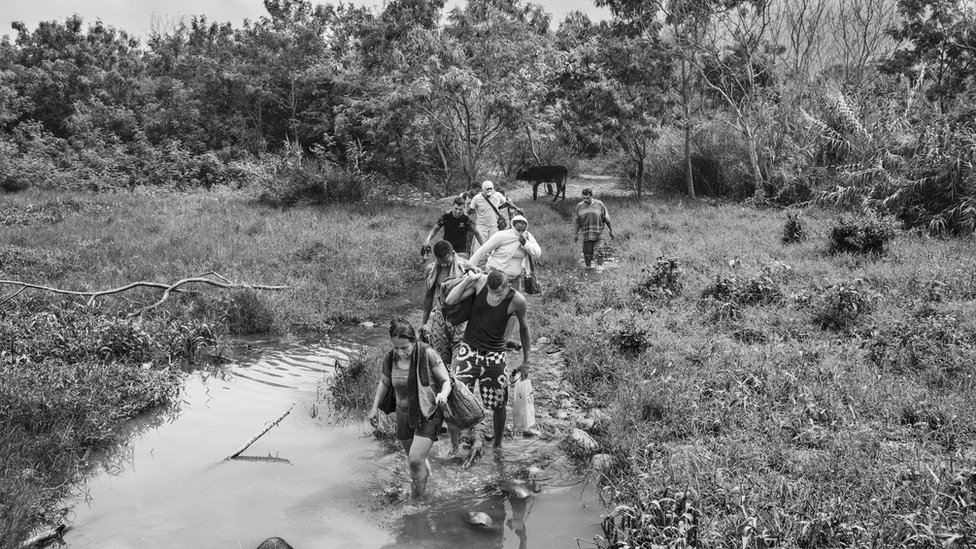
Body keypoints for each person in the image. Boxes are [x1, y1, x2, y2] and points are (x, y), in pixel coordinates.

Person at [444, 270, 531, 466]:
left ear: (508, 287)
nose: (495, 297)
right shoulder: (480, 284)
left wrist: (526, 361)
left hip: (495, 355)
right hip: (468, 351)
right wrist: (469, 279)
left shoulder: (517, 300)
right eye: (492, 292)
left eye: (499, 293)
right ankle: (454, 445)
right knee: (454, 397)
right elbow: (450, 300)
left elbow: (525, 329)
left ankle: (498, 446)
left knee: (499, 403)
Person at [368, 318, 452, 499]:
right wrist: (374, 408)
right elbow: (384, 383)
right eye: (396, 348)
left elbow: (446, 381)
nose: (401, 352)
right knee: (416, 460)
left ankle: (416, 501)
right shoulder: (390, 358)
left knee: (414, 460)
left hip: (428, 413)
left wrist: (443, 394)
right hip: (403, 415)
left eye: (405, 347)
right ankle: (430, 484)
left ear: (414, 341)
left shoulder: (427, 354)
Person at [420, 240, 475, 367]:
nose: (444, 264)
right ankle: (445, 379)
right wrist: (424, 322)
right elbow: (428, 297)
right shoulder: (431, 270)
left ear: (453, 253)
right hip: (441, 316)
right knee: (439, 360)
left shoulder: (465, 267)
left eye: (447, 261)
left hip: (462, 317)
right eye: (441, 262)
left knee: (461, 359)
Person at [468, 215, 541, 292]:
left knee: (514, 298)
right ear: (513, 226)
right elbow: (483, 250)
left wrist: (525, 244)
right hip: (496, 275)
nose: (520, 232)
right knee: (494, 297)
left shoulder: (527, 236)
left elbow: (537, 254)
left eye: (523, 230)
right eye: (518, 230)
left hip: (515, 278)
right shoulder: (502, 235)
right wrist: (469, 266)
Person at [467, 180, 523, 256]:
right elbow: (469, 211)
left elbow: (506, 203)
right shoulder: (477, 198)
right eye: (487, 191)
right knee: (479, 252)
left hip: (494, 228)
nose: (489, 194)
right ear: (483, 190)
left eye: (490, 190)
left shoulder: (497, 195)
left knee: (495, 251)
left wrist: (517, 208)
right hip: (481, 229)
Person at [574, 188, 614, 271]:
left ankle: (600, 267)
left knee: (600, 250)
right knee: (587, 253)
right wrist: (576, 234)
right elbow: (577, 221)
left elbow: (606, 218)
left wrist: (611, 230)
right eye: (583, 198)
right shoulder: (579, 206)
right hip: (587, 232)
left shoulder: (599, 204)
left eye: (587, 198)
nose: (585, 200)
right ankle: (588, 268)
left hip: (599, 231)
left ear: (591, 196)